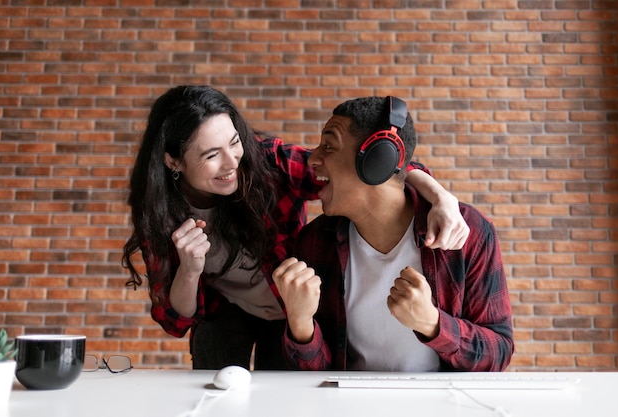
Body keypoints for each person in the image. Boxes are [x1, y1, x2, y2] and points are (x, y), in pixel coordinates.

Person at [122, 85, 470, 370]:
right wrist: (190, 270)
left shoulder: (266, 162)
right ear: (172, 160)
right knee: (217, 392)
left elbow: (366, 172)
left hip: (293, 309)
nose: (232, 164)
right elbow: (176, 320)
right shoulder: (160, 211)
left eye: (234, 143)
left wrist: (440, 196)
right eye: (211, 155)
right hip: (226, 313)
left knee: (285, 397)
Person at [272, 96, 514, 372]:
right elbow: (319, 377)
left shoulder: (466, 232)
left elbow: (499, 352)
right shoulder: (315, 242)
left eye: (328, 146)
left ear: (378, 161)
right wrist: (301, 323)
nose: (312, 159)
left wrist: (432, 324)